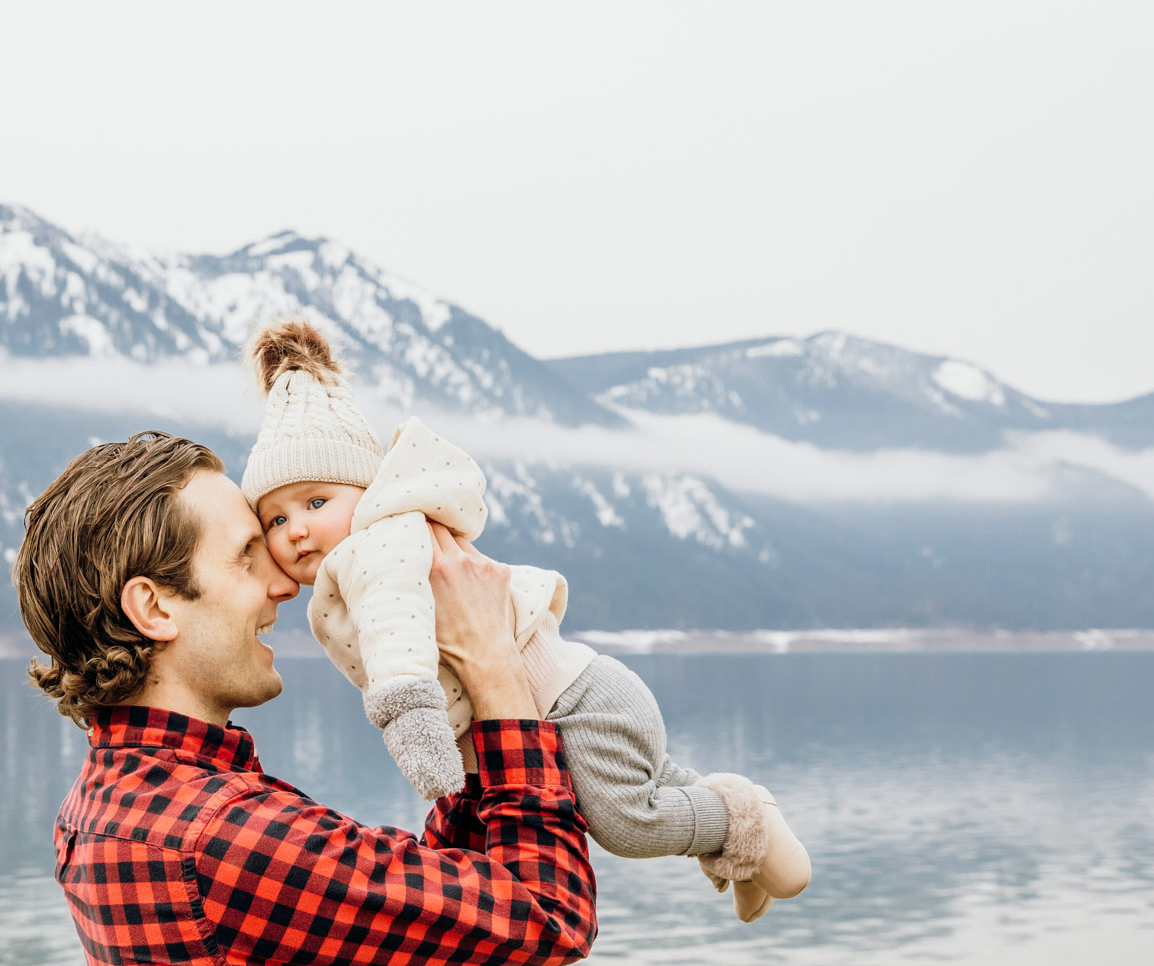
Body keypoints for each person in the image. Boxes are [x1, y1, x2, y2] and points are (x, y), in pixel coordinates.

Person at [14, 429, 597, 966]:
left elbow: (417, 892)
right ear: (153, 607)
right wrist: (493, 662)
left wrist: (455, 700)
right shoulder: (219, 835)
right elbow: (544, 909)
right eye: (245, 557)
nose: (280, 585)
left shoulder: (107, 805)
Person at [238, 319, 811, 922]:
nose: (296, 528)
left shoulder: (377, 547)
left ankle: (747, 825)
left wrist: (412, 723)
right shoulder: (365, 554)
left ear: (366, 491)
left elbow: (398, 642)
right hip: (581, 691)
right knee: (652, 786)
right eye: (274, 520)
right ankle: (741, 847)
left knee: (624, 824)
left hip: (573, 702)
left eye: (316, 503)